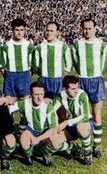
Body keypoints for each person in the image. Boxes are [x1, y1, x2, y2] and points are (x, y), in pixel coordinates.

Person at [71, 18, 107, 158]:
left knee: (97, 115)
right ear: (82, 29)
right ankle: (84, 145)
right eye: (85, 28)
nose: (87, 30)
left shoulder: (101, 44)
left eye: (90, 28)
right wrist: (83, 75)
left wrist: (97, 75)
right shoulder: (77, 44)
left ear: (95, 28)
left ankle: (96, 146)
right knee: (83, 115)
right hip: (82, 81)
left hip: (96, 81)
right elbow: (75, 62)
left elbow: (104, 64)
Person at [8, 81, 59, 166]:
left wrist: (38, 139)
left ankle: (45, 154)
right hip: (31, 130)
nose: (39, 97)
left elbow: (53, 128)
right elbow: (9, 109)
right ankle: (28, 156)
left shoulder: (48, 107)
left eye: (41, 94)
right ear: (31, 94)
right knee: (23, 138)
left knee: (55, 143)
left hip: (44, 131)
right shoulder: (25, 103)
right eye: (36, 94)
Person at [50, 75, 93, 165]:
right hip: (71, 126)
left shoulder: (82, 95)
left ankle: (87, 152)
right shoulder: (60, 96)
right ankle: (74, 148)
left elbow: (84, 116)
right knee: (54, 142)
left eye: (77, 87)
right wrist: (53, 126)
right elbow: (51, 111)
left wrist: (66, 122)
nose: (76, 90)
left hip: (86, 124)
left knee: (81, 127)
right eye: (73, 89)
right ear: (65, 89)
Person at [33, 21, 72, 99]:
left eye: (51, 31)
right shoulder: (39, 47)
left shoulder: (63, 47)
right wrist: (42, 75)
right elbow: (35, 66)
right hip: (43, 80)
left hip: (58, 80)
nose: (49, 33)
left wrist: (62, 75)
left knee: (58, 106)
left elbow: (69, 64)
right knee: (44, 106)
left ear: (57, 32)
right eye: (47, 30)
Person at [1, 18, 35, 104]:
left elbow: (33, 65)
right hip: (10, 76)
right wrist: (8, 76)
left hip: (24, 76)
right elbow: (1, 66)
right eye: (16, 30)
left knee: (25, 107)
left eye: (21, 30)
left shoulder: (29, 46)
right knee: (9, 105)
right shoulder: (6, 46)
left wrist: (27, 76)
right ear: (12, 30)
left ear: (25, 30)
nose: (19, 33)